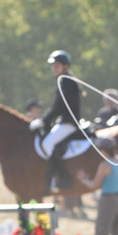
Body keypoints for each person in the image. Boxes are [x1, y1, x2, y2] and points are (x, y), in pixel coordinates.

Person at [29, 50, 81, 191]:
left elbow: (58, 106)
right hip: (64, 120)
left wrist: (42, 121)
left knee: (47, 144)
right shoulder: (64, 79)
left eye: (56, 65)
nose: (53, 68)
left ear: (65, 66)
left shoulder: (66, 81)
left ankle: (64, 178)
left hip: (68, 122)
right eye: (53, 66)